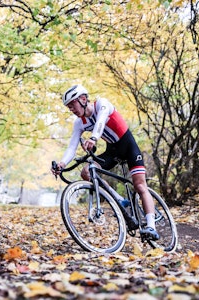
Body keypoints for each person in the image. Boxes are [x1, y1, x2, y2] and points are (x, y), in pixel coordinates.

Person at [51, 84, 159, 241]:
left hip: (129, 146)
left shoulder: (102, 104)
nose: (71, 110)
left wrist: (94, 138)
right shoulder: (79, 123)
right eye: (68, 107)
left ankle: (151, 226)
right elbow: (72, 147)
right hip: (112, 151)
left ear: (82, 99)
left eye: (72, 105)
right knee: (86, 172)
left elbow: (100, 122)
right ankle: (118, 199)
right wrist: (62, 164)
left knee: (140, 185)